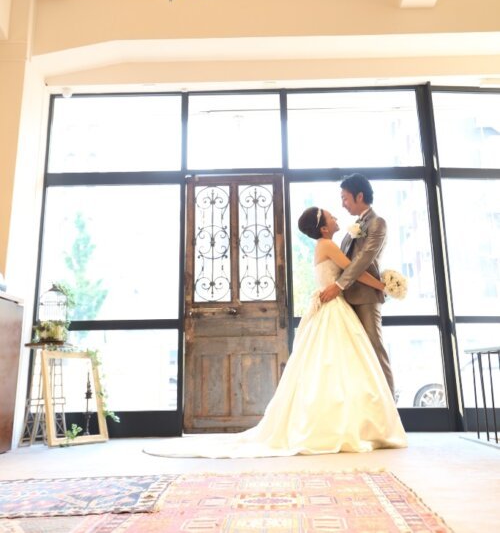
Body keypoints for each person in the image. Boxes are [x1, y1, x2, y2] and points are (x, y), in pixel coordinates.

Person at [143, 206, 406, 459]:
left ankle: (346, 421)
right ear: (324, 228)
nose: (336, 217)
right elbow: (354, 271)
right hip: (333, 308)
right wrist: (383, 285)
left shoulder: (325, 244)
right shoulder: (327, 245)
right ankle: (343, 425)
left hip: (332, 306)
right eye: (330, 216)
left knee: (332, 367)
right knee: (339, 365)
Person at [320, 173, 395, 396]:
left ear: (359, 196)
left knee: (374, 349)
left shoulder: (377, 223)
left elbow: (363, 259)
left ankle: (390, 406)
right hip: (346, 298)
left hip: (366, 297)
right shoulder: (355, 225)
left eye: (345, 198)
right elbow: (344, 259)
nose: (343, 204)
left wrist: (338, 285)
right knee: (356, 355)